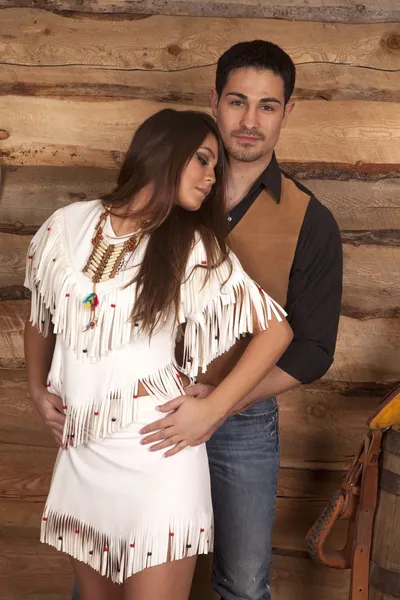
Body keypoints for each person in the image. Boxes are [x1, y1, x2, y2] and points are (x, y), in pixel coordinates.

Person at [24, 108, 293, 600]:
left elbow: (276, 332)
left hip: (157, 458)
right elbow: (43, 312)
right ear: (163, 152)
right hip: (83, 455)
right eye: (203, 160)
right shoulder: (67, 225)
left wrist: (213, 408)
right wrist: (36, 389)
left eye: (216, 167)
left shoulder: (192, 246)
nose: (213, 177)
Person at [139, 41, 343, 600]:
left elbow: (312, 350)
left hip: (244, 425)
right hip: (145, 407)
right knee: (124, 561)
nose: (250, 121)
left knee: (245, 581)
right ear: (214, 100)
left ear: (287, 113)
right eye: (236, 102)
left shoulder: (311, 221)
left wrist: (220, 403)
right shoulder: (163, 196)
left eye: (267, 106)